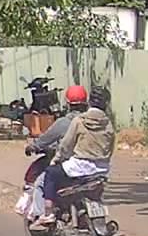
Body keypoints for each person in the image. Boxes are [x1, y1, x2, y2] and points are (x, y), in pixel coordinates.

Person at [32, 85, 115, 228]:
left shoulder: (79, 121)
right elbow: (110, 146)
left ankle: (48, 213)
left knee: (50, 173)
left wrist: (56, 160)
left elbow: (66, 146)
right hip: (102, 169)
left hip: (79, 168)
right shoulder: (108, 124)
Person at [17, 85, 89, 220]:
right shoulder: (94, 122)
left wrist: (33, 146)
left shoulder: (65, 123)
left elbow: (45, 139)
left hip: (70, 167)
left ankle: (42, 215)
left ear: (68, 103)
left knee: (41, 182)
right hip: (94, 168)